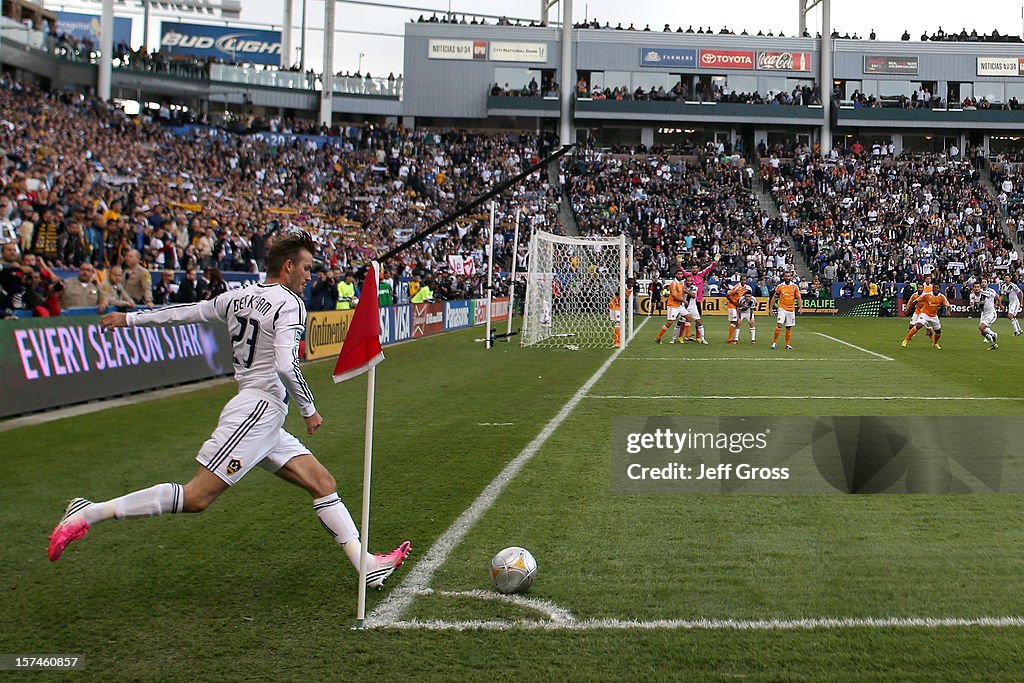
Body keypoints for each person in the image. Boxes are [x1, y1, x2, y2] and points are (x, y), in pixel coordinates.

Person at [48, 232, 411, 590]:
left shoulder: (236, 297)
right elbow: (286, 364)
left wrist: (131, 320)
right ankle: (89, 510)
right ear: (288, 267)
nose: (309, 276)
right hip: (257, 412)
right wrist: (309, 408)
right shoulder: (289, 302)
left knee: (322, 483)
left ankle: (365, 565)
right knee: (196, 497)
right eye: (306, 267)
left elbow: (187, 313)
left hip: (264, 416)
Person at [679, 258, 718, 344]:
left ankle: (698, 337)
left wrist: (715, 262)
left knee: (698, 320)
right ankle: (681, 336)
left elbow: (709, 268)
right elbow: (681, 270)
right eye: (693, 268)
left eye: (696, 268)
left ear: (698, 269)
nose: (694, 270)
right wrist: (678, 263)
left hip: (697, 301)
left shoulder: (701, 274)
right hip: (687, 301)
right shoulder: (688, 275)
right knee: (683, 320)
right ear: (691, 269)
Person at [654, 269, 694, 344]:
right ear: (676, 275)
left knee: (689, 317)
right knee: (669, 322)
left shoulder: (680, 283)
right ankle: (658, 338)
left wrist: (690, 293)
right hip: (672, 306)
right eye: (678, 274)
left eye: (681, 274)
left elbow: (683, 290)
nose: (680, 275)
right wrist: (684, 300)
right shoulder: (674, 284)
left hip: (679, 305)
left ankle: (687, 336)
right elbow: (675, 297)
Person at [769, 271, 802, 350]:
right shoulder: (780, 286)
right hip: (782, 308)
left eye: (789, 276)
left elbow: (798, 298)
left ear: (791, 277)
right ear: (783, 277)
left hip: (791, 309)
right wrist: (770, 309)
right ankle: (774, 343)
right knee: (779, 325)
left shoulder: (795, 286)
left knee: (788, 327)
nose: (787, 278)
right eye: (786, 276)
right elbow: (774, 298)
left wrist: (800, 307)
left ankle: (787, 345)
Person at [970, 278, 1000, 350]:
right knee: (982, 332)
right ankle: (993, 343)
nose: (976, 288)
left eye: (978, 287)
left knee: (981, 328)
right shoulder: (972, 295)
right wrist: (971, 305)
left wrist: (999, 304)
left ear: (980, 287)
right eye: (975, 287)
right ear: (973, 288)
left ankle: (993, 334)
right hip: (983, 314)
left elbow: (995, 296)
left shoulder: (986, 293)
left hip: (991, 313)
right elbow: (971, 302)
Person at [608, 278, 634, 347]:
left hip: (618, 307)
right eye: (630, 283)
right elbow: (617, 293)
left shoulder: (630, 289)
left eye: (632, 283)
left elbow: (624, 297)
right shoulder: (621, 286)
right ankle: (617, 342)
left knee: (619, 324)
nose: (631, 285)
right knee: (618, 323)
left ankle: (618, 341)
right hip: (615, 306)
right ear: (627, 283)